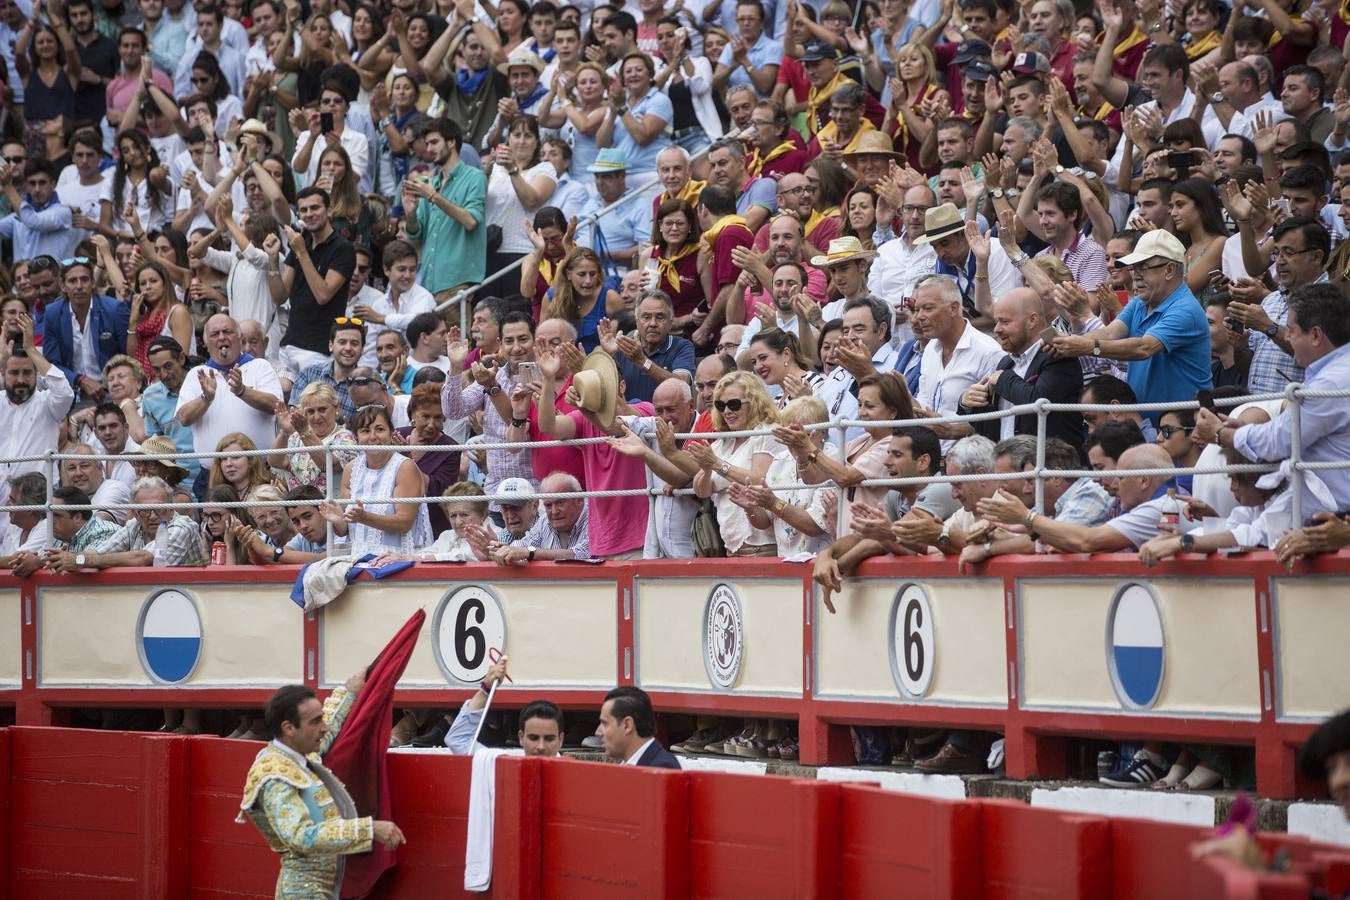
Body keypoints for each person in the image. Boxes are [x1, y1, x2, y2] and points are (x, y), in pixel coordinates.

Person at [238, 678, 405, 899]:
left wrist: (350, 692)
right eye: (316, 721)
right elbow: (300, 837)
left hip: (322, 889)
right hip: (302, 892)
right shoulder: (274, 775)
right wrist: (369, 829)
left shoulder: (300, 755)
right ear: (289, 728)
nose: (324, 727)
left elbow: (331, 728)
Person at [1194, 283, 1350, 518]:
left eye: (1292, 330)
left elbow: (1280, 440)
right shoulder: (1335, 375)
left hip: (1330, 518)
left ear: (1316, 335)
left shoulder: (1330, 383)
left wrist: (1224, 435)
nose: (1286, 336)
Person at [1050, 231, 1211, 412]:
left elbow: (1143, 348)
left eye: (1142, 268)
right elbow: (1109, 333)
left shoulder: (1185, 309)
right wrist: (1064, 343)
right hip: (1150, 423)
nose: (1135, 275)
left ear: (1170, 270)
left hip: (1184, 427)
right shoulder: (1139, 303)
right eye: (1133, 268)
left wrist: (1087, 346)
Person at [535, 348, 651, 559]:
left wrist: (584, 372)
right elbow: (548, 426)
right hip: (600, 538)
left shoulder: (645, 410)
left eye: (605, 382)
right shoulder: (583, 417)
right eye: (594, 383)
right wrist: (548, 378)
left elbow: (619, 423)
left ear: (622, 386)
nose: (597, 388)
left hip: (639, 538)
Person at [981, 444, 1177, 554]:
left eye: (1122, 477)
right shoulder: (1160, 506)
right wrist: (1030, 527)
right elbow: (1072, 541)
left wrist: (1027, 519)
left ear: (1144, 481)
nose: (1115, 483)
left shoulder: (1157, 509)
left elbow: (1086, 540)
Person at [957, 288, 1085, 449]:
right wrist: (967, 403)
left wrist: (1004, 379)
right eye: (996, 322)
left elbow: (1038, 404)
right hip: (1005, 468)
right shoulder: (1006, 363)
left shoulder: (1058, 356)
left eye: (1005, 322)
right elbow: (989, 425)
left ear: (1032, 320)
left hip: (1047, 467)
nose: (996, 329)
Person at [176, 314, 283, 496]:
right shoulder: (197, 374)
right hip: (212, 475)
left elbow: (276, 405)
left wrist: (242, 391)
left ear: (240, 339)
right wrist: (206, 398)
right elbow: (184, 418)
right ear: (206, 344)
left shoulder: (259, 366)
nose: (222, 337)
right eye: (215, 334)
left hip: (257, 472)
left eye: (227, 332)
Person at [318, 404, 432, 556]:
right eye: (365, 431)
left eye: (379, 429)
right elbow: (346, 529)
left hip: (399, 559)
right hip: (359, 558)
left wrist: (364, 517)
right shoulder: (351, 469)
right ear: (356, 438)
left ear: (391, 433)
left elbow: (404, 523)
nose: (373, 437)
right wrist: (337, 519)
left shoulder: (405, 467)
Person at [267, 187, 357, 377]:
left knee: (311, 406)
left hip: (318, 350)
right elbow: (279, 296)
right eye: (304, 210)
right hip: (288, 345)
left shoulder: (343, 249)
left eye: (315, 208)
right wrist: (273, 260)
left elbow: (323, 295)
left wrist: (301, 252)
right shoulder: (302, 241)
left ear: (329, 210)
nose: (309, 214)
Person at [401, 119, 487, 302]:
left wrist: (433, 196)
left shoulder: (475, 177)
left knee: (457, 332)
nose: (429, 149)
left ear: (451, 142)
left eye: (434, 142)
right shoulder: (431, 183)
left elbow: (471, 221)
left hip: (458, 282)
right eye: (427, 144)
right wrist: (410, 214)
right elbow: (416, 233)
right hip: (428, 282)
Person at [48, 476, 205, 570]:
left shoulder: (182, 526)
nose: (152, 516)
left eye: (159, 509)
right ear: (135, 514)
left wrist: (77, 560)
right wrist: (57, 559)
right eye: (144, 511)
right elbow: (100, 552)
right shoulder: (133, 526)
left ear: (171, 509)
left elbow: (143, 559)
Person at [41, 258, 130, 399]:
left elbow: (128, 354)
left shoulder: (114, 309)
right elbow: (51, 362)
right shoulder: (53, 313)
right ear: (62, 286)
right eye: (72, 281)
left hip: (113, 390)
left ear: (93, 283)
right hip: (73, 392)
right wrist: (79, 380)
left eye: (84, 279)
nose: (79, 286)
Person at [0, 315, 74, 480]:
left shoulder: (47, 403)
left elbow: (65, 392)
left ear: (36, 374)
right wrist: (2, 361)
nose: (20, 380)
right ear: (3, 373)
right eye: (13, 373)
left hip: (38, 496)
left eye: (26, 372)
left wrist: (31, 350)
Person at [443, 656, 565, 755]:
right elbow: (457, 740)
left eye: (549, 739)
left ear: (561, 739)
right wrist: (486, 690)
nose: (541, 747)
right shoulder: (502, 764)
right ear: (521, 737)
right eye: (533, 738)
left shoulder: (571, 774)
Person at [599, 291, 695, 403]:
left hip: (667, 419)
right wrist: (608, 356)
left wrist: (642, 361)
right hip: (628, 418)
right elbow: (603, 392)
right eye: (646, 317)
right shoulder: (622, 347)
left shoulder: (682, 346)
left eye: (660, 317)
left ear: (670, 322)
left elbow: (681, 385)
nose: (653, 323)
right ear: (637, 321)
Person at [270, 381, 357, 493]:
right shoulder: (297, 436)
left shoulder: (346, 438)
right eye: (311, 411)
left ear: (337, 408)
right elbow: (275, 462)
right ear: (304, 413)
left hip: (330, 506)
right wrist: (285, 433)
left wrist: (305, 432)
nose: (316, 417)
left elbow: (328, 465)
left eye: (322, 409)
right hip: (297, 507)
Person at [493, 470, 590, 563]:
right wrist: (500, 550)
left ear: (579, 500)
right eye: (548, 505)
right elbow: (522, 547)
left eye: (560, 503)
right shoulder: (545, 521)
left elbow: (582, 555)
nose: (554, 511)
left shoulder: (595, 519)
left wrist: (530, 552)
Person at [596, 686, 681, 769]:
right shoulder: (630, 765)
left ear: (627, 725)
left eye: (605, 724)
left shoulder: (661, 769)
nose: (598, 732)